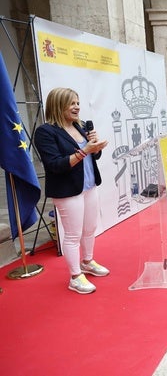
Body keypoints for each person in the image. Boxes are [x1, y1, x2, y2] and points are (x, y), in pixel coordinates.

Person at [34, 87, 110, 294]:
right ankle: (75, 277)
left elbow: (93, 158)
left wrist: (95, 148)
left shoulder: (81, 126)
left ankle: (87, 261)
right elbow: (55, 165)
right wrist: (85, 150)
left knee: (90, 228)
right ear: (58, 105)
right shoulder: (45, 132)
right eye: (72, 103)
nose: (77, 107)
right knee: (72, 235)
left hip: (89, 185)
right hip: (68, 191)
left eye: (77, 102)